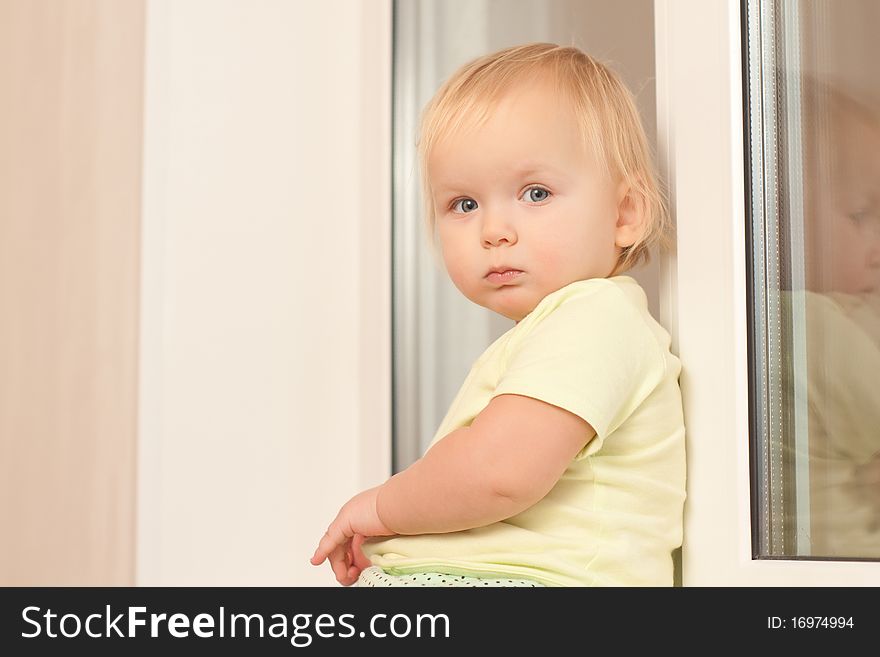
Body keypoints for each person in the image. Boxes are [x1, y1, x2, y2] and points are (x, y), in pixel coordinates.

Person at [310, 42, 686, 586]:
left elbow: (499, 474)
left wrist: (383, 507)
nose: (494, 231)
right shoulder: (558, 329)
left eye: (535, 193)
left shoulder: (595, 318)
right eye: (464, 204)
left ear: (625, 213)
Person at [786, 77, 880, 556]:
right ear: (784, 216)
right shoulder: (810, 324)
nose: (877, 247)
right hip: (845, 559)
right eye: (861, 215)